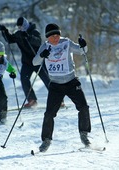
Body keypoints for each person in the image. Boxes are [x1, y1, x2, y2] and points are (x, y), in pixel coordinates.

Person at [32, 23, 91, 152]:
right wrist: (42, 55)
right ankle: (46, 140)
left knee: (83, 107)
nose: (56, 38)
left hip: (71, 81)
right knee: (49, 113)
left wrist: (83, 44)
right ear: (47, 37)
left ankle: (84, 134)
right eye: (52, 36)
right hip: (55, 85)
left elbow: (83, 52)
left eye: (57, 35)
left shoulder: (66, 43)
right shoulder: (45, 46)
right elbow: (35, 62)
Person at [0, 17, 51, 108]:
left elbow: (38, 42)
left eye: (21, 26)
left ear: (25, 24)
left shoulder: (34, 31)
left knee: (46, 79)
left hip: (38, 60)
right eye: (18, 27)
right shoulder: (19, 34)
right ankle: (32, 100)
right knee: (24, 79)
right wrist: (4, 32)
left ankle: (58, 99)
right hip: (27, 63)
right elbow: (10, 40)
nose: (20, 28)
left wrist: (28, 36)